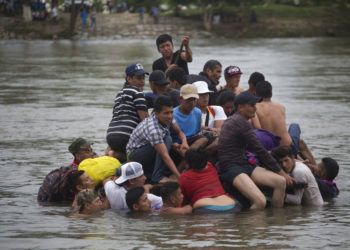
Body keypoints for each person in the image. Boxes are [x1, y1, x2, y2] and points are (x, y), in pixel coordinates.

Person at [218, 91, 293, 209]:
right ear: (241, 108)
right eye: (252, 105)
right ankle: (250, 227)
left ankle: (277, 223)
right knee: (260, 201)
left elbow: (259, 150)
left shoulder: (239, 120)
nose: (255, 108)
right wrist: (282, 172)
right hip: (231, 168)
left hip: (244, 164)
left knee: (280, 182)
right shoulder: (239, 122)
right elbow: (259, 150)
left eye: (255, 105)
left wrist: (280, 174)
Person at [127, 96, 189, 184]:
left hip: (148, 148)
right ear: (156, 114)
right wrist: (179, 177)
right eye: (166, 113)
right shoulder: (153, 129)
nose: (170, 116)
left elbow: (179, 132)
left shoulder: (169, 118)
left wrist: (184, 142)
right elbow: (165, 156)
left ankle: (154, 173)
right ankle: (157, 177)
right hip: (134, 154)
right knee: (167, 139)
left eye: (171, 112)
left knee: (168, 139)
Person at [255, 80, 316, 164]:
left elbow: (258, 130)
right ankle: (310, 165)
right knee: (294, 126)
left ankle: (299, 160)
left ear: (256, 94)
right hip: (289, 149)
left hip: (272, 150)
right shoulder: (281, 107)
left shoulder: (254, 108)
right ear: (271, 93)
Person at [106, 63, 149, 163]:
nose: (142, 81)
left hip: (110, 136)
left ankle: (111, 153)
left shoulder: (119, 94)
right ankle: (115, 155)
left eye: (143, 78)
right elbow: (145, 121)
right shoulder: (137, 93)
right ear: (129, 79)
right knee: (144, 155)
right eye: (139, 78)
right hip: (126, 137)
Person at [180, 149, 240, 214]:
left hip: (205, 209)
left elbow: (183, 200)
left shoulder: (184, 177)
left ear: (187, 163)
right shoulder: (211, 167)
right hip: (231, 207)